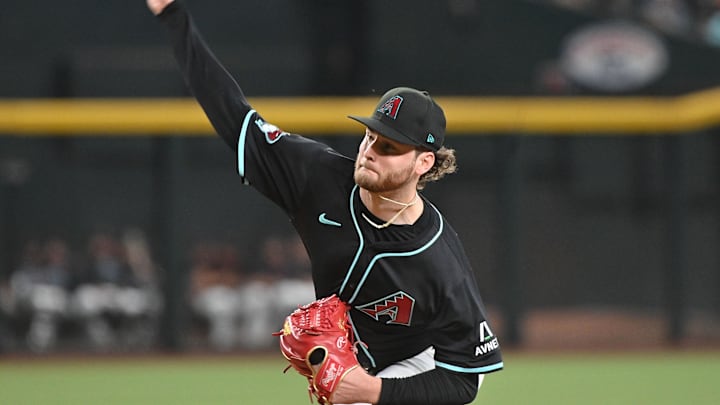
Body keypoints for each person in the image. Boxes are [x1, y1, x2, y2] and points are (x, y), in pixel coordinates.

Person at [146, 1, 503, 404]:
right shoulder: (317, 176)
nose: (370, 149)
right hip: (365, 359)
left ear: (423, 162)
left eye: (389, 146)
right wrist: (174, 16)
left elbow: (464, 382)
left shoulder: (439, 261)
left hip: (425, 363)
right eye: (370, 135)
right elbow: (231, 112)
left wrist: (373, 389)